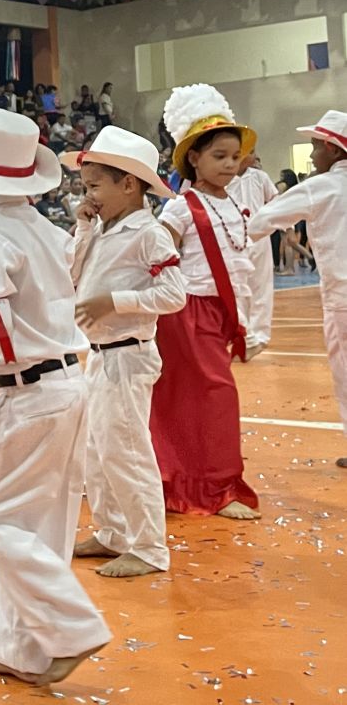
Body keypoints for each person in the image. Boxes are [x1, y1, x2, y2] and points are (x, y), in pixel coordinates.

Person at [0, 107, 110, 687]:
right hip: (65, 382)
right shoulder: (42, 228)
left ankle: (71, 628)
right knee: (40, 524)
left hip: (29, 390)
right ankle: (20, 649)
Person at [62, 127, 186, 578]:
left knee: (127, 450)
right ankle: (112, 531)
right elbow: (72, 273)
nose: (88, 195)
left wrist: (115, 301)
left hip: (129, 354)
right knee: (97, 449)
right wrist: (83, 226)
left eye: (95, 186)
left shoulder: (149, 233)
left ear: (129, 184)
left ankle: (149, 547)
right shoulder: (101, 227)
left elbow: (174, 294)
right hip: (99, 353)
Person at [153, 83, 260, 519]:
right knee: (215, 395)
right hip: (187, 312)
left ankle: (185, 479)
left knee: (198, 397)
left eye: (235, 156)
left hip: (217, 312)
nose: (230, 164)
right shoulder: (181, 207)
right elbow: (155, 254)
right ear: (193, 158)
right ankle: (217, 487)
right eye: (219, 156)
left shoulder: (231, 201)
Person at [249, 110, 347, 467]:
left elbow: (260, 222)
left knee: (345, 371)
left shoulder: (320, 187)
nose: (312, 155)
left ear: (333, 150)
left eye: (316, 147)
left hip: (342, 298)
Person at [230, 154, 279, 353]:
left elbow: (276, 201)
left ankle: (260, 334)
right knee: (237, 287)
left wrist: (287, 228)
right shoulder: (225, 179)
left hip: (260, 238)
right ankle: (242, 332)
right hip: (233, 239)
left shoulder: (260, 177)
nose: (255, 155)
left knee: (262, 285)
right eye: (250, 151)